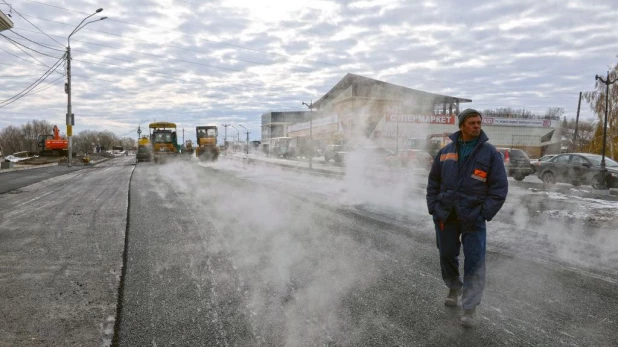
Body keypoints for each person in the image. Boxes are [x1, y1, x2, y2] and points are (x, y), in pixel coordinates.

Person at [426, 108, 508, 328]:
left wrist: (484, 213)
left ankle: (470, 308)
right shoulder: (445, 152)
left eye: (478, 122)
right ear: (461, 126)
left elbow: (499, 188)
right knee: (447, 254)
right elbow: (433, 182)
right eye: (471, 122)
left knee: (474, 261)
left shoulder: (490, 154)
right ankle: (454, 287)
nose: (476, 126)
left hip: (473, 216)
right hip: (446, 213)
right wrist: (433, 206)